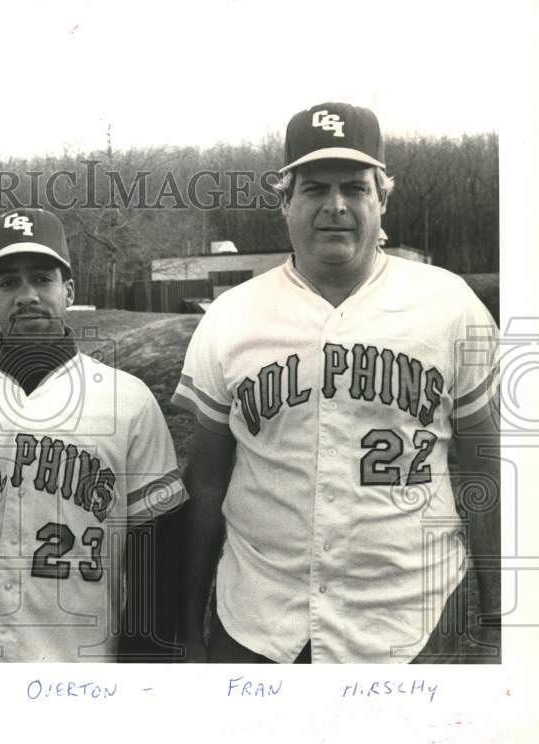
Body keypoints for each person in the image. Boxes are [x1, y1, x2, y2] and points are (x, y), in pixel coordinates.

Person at [173, 102, 501, 664]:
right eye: (314, 189)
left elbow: (483, 463)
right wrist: (184, 624)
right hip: (260, 622)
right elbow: (205, 480)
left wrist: (499, 617)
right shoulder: (230, 315)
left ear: (383, 199)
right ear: (284, 201)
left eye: (355, 187)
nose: (336, 206)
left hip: (410, 619)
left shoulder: (450, 305)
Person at [0, 208, 187, 661]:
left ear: (68, 290)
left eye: (42, 279)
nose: (27, 295)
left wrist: (140, 674)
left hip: (89, 677)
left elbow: (158, 560)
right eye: (9, 282)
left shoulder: (128, 402)